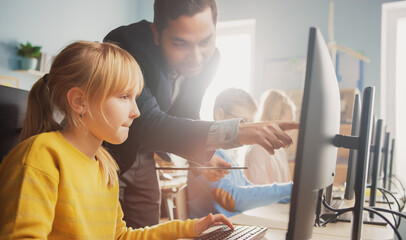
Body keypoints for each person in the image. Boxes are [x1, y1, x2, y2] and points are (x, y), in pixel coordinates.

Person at [0, 41, 233, 239]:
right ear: (79, 101)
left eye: (135, 98)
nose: (136, 111)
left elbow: (120, 236)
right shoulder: (41, 156)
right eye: (124, 97)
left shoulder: (104, 165)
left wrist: (190, 228)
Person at [104, 0, 298, 228]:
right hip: (109, 152)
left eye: (206, 41)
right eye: (180, 44)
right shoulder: (127, 44)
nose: (196, 57)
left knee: (146, 228)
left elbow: (187, 113)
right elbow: (146, 121)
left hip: (144, 154)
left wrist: (200, 156)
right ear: (157, 34)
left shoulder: (211, 59)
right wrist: (237, 131)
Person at [187, 88, 293, 218]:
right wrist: (289, 189)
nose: (249, 129)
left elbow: (247, 188)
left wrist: (289, 195)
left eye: (250, 123)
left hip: (234, 227)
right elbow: (233, 198)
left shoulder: (229, 156)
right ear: (219, 115)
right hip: (210, 233)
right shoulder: (207, 155)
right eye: (242, 122)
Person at [244, 89, 297, 185]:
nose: (290, 133)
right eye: (286, 127)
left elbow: (287, 186)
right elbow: (260, 193)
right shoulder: (257, 150)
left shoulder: (280, 151)